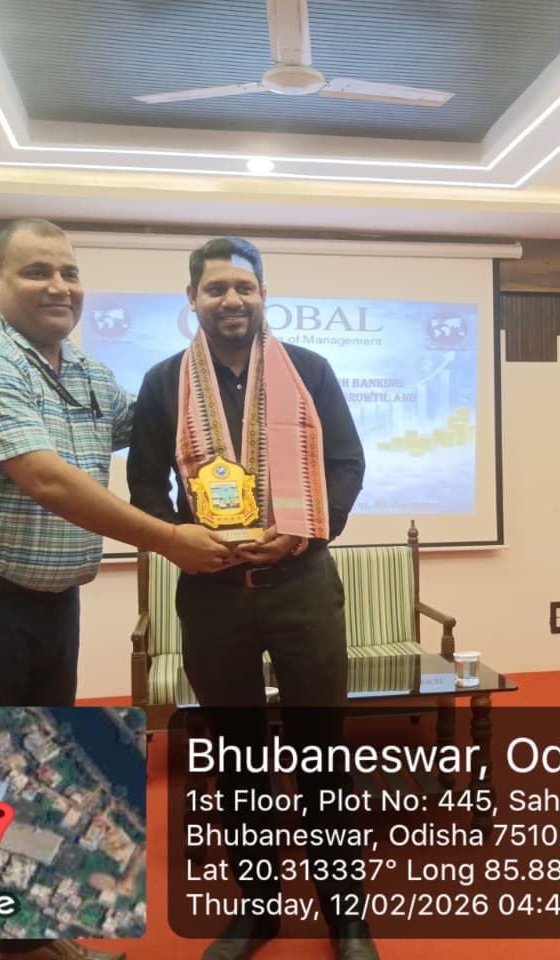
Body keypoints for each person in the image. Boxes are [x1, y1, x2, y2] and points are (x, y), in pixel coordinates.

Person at [0, 218, 230, 960]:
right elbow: (46, 478)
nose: (59, 286)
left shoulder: (80, 368)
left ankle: (29, 943)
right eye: (37, 271)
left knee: (37, 779)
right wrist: (169, 538)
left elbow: (151, 423)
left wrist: (236, 396)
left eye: (69, 272)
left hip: (51, 606)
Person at [127, 238, 376, 960]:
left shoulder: (311, 371)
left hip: (301, 587)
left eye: (244, 287)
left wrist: (303, 529)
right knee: (238, 758)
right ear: (193, 301)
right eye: (216, 289)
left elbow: (347, 464)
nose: (231, 300)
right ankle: (258, 909)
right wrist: (181, 538)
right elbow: (144, 485)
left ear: (265, 295)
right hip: (212, 596)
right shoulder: (164, 381)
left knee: (321, 755)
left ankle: (346, 919)